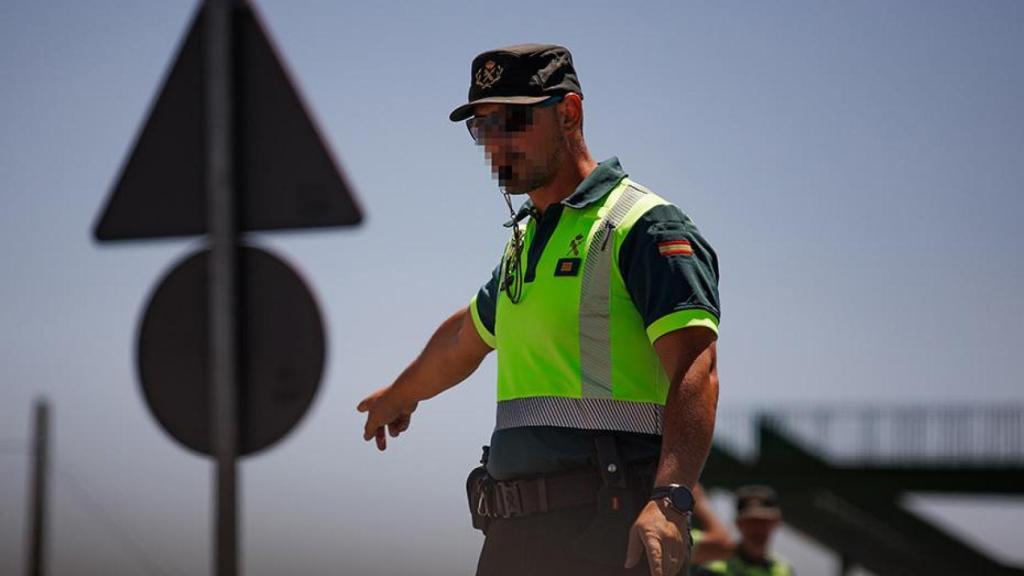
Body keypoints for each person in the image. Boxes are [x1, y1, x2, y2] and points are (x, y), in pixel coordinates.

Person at [358, 44, 722, 576]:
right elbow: (468, 335)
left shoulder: (643, 225)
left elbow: (697, 366)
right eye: (483, 127)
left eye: (511, 121)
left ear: (569, 113)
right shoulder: (525, 238)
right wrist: (401, 393)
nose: (495, 145)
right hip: (516, 533)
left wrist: (671, 501)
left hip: (607, 530)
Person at [694, 486, 794, 576]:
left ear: (776, 523)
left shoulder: (784, 570)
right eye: (751, 522)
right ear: (738, 524)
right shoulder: (714, 569)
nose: (758, 528)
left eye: (764, 522)